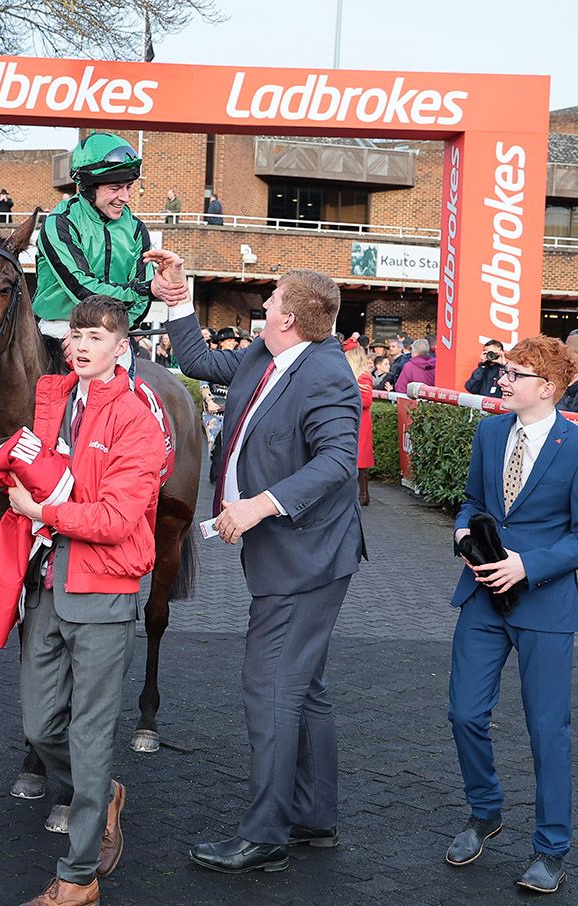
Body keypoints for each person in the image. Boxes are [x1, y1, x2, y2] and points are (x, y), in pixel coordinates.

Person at [0, 295, 165, 906]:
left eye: (96, 337)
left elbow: (116, 517)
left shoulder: (139, 419)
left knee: (89, 735)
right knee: (40, 725)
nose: (81, 345)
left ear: (122, 348)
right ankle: (103, 792)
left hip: (103, 592)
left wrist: (45, 515)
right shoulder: (53, 396)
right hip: (44, 586)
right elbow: (28, 464)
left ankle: (79, 875)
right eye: (76, 335)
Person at [160, 257, 364, 875]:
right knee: (305, 687)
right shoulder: (260, 356)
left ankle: (265, 834)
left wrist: (258, 506)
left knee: (271, 686)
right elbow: (199, 362)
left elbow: (336, 464)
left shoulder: (328, 376)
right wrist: (176, 297)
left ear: (291, 319)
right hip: (289, 553)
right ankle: (312, 815)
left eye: (272, 300)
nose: (263, 307)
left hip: (305, 557)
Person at [446, 336, 578, 895]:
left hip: (543, 604)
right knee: (465, 713)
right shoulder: (491, 432)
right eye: (504, 371)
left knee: (548, 731)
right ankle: (485, 811)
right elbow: (472, 501)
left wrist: (529, 565)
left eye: (514, 374)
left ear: (546, 387)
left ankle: (551, 848)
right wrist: (464, 530)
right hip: (481, 598)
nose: (502, 380)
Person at [33, 132, 187, 367]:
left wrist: (119, 330)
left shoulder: (137, 230)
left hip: (113, 332)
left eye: (129, 187)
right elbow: (80, 287)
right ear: (87, 187)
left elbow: (141, 300)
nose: (125, 197)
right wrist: (145, 289)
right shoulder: (59, 223)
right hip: (59, 327)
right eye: (115, 188)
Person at [345, 345, 374, 506]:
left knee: (360, 461)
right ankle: (361, 494)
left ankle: (363, 494)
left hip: (361, 422)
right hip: (356, 421)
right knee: (356, 459)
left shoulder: (363, 377)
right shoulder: (357, 376)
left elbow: (367, 400)